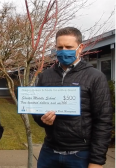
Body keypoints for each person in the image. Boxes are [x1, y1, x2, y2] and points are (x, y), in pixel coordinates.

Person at [33, 27, 112, 168]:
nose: (64, 51)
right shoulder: (45, 76)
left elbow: (103, 121)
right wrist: (42, 119)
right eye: (60, 47)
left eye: (69, 47)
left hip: (80, 154)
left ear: (80, 48)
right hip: (49, 152)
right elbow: (37, 110)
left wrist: (97, 161)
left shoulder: (95, 77)